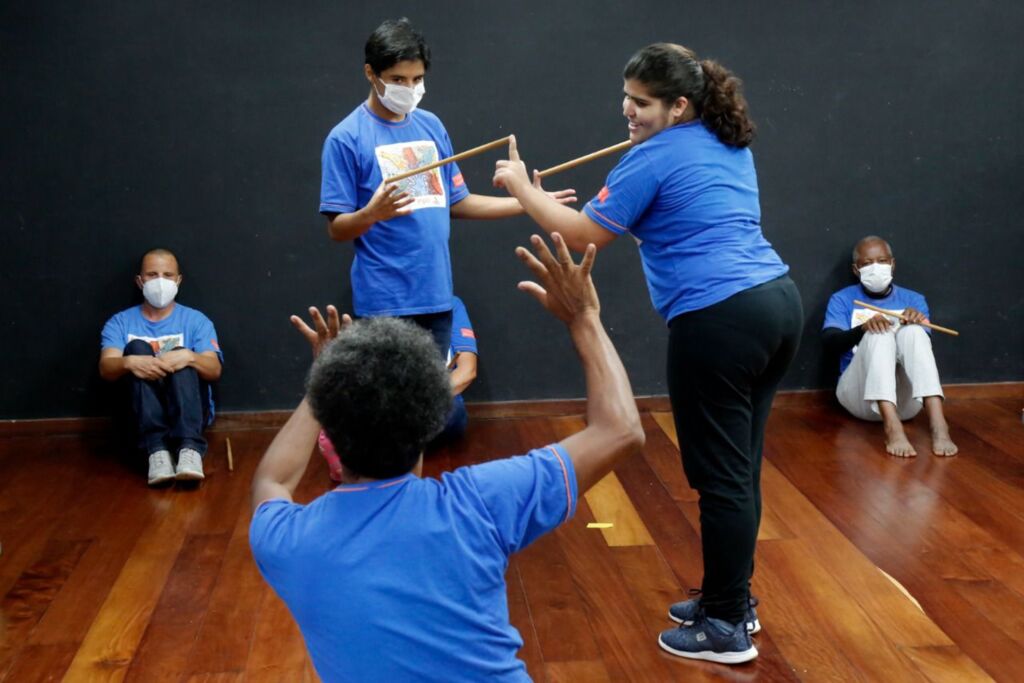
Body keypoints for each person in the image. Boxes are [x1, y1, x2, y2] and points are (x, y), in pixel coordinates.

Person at [493, 43, 803, 664]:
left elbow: (584, 235)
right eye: (626, 97)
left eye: (642, 102)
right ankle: (730, 599)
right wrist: (538, 194)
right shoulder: (725, 141)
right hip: (776, 304)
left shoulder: (652, 156)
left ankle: (725, 627)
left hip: (719, 319)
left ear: (679, 105)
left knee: (718, 476)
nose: (628, 111)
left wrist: (521, 188)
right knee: (738, 469)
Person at [249, 233, 644, 682]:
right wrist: (585, 316)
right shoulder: (477, 504)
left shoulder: (288, 540)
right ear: (430, 421)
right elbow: (622, 429)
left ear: (329, 431)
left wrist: (323, 379)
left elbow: (271, 481)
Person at [319, 17, 573, 360]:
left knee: (430, 405)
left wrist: (528, 200)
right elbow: (336, 229)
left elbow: (458, 202)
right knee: (386, 407)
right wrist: (371, 214)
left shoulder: (431, 125)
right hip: (383, 302)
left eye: (417, 79)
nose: (409, 89)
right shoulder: (346, 138)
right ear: (370, 74)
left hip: (436, 295)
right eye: (397, 80)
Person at [317, 295, 478, 481]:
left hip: (435, 400)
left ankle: (367, 450)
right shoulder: (377, 302)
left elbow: (468, 371)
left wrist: (417, 400)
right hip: (385, 402)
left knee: (454, 415)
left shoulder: (452, 304)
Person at [822, 236, 957, 457]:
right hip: (859, 398)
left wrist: (918, 322)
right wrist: (863, 329)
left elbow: (922, 353)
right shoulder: (843, 299)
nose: (876, 267)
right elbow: (830, 343)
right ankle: (892, 429)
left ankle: (939, 425)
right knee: (879, 333)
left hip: (907, 403)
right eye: (867, 263)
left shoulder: (913, 299)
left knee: (913, 331)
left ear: (892, 264)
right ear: (856, 269)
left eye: (882, 260)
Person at [99, 248, 223, 485]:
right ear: (139, 280)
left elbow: (214, 369)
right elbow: (106, 367)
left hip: (189, 409)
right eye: (152, 274)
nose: (160, 281)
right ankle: (157, 451)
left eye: (167, 275)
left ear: (178, 280)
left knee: (182, 354)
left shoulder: (196, 320)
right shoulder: (120, 322)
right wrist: (129, 362)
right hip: (140, 414)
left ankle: (189, 449)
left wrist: (189, 357)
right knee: (135, 348)